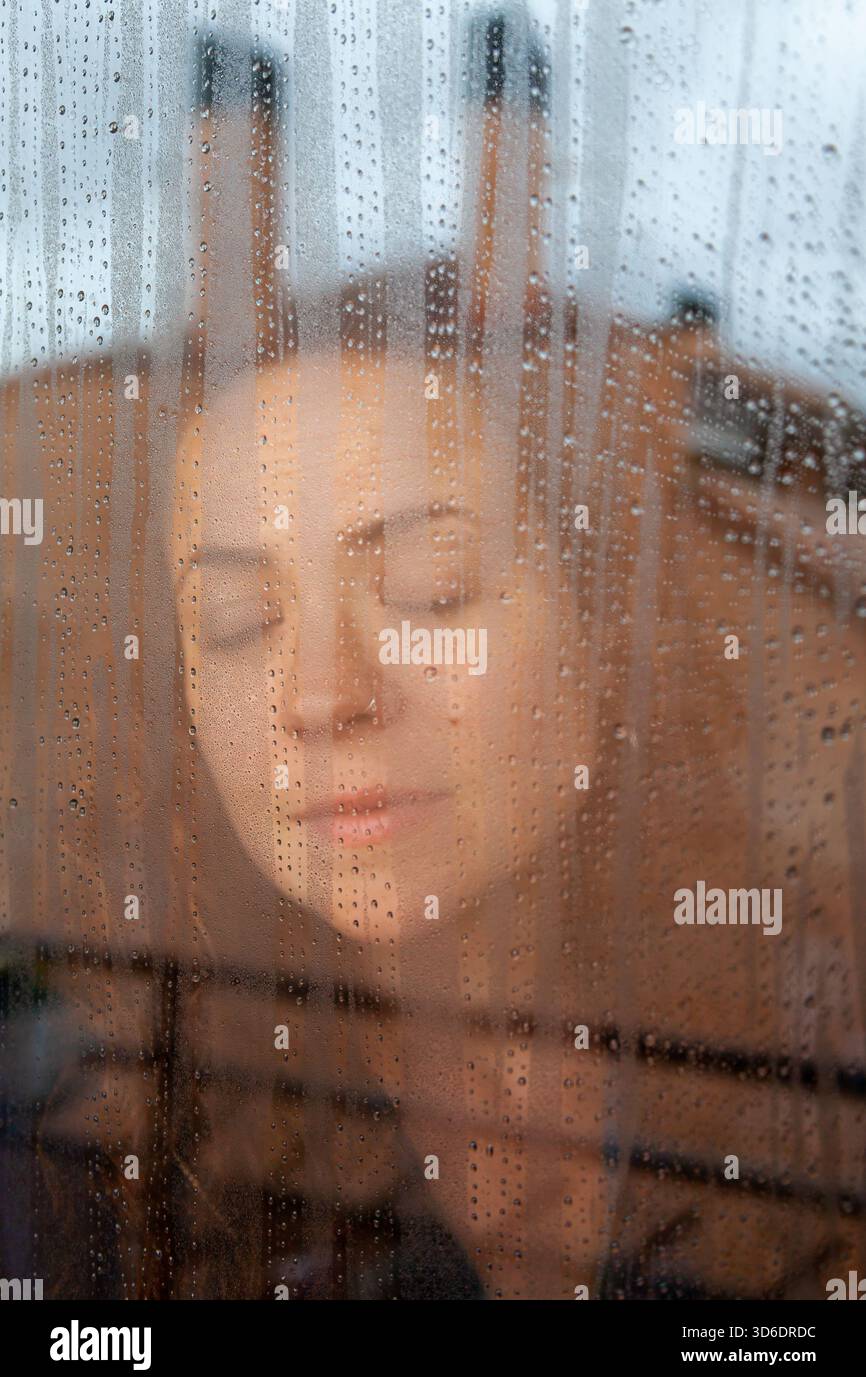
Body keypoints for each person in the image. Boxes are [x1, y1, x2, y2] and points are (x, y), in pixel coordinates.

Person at [1, 260, 864, 1299]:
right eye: (237, 624)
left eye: (429, 587)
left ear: (604, 637)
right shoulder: (139, 1110)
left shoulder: (803, 1074)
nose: (321, 696)